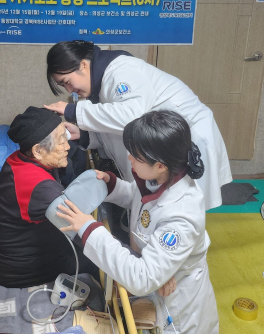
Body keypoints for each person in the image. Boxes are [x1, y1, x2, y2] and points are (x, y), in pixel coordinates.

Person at [57, 110, 219, 333]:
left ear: (160, 165)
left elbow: (142, 278)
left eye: (136, 156)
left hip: (179, 306)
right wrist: (111, 184)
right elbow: (139, 199)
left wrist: (89, 230)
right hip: (158, 281)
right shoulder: (161, 178)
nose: (129, 158)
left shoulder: (182, 216)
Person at [44, 40, 231, 211]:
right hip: (163, 146)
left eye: (67, 82)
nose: (69, 90)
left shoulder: (121, 71)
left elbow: (131, 117)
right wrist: (85, 135)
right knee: (163, 207)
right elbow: (117, 126)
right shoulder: (102, 85)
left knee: (182, 208)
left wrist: (72, 110)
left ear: (83, 65)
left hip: (187, 138)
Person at [0, 106, 96, 288]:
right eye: (61, 141)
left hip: (5, 257)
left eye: (65, 137)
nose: (67, 146)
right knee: (96, 259)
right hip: (19, 269)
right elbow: (82, 232)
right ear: (38, 150)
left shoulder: (17, 158)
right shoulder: (42, 189)